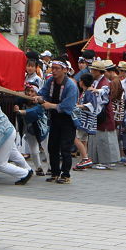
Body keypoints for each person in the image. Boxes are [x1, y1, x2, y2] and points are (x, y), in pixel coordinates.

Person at [35, 56, 79, 184]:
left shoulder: (71, 85)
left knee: (65, 147)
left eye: (57, 68)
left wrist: (51, 105)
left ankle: (66, 174)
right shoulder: (50, 81)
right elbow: (43, 92)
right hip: (54, 118)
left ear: (64, 69)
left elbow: (68, 106)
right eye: (52, 68)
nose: (53, 71)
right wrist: (37, 97)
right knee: (52, 146)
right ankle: (55, 172)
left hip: (68, 119)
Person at [86, 60, 120, 169]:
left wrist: (96, 91)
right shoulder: (96, 81)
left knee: (104, 137)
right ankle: (96, 159)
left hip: (103, 112)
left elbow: (105, 95)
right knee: (96, 137)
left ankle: (106, 162)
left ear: (98, 71)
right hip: (97, 112)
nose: (91, 71)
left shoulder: (105, 82)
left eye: (93, 70)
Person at [14, 83, 49, 176]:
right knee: (33, 151)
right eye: (27, 91)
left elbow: (33, 112)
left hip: (42, 128)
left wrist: (20, 111)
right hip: (29, 128)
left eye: (32, 91)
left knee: (47, 149)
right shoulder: (21, 100)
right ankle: (38, 167)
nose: (29, 93)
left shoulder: (40, 103)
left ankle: (51, 167)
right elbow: (14, 100)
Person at [73, 73, 98, 170]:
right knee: (83, 140)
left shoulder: (89, 92)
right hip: (86, 120)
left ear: (82, 82)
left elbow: (91, 106)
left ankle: (86, 158)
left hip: (85, 120)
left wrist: (78, 106)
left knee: (75, 137)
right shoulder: (86, 92)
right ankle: (82, 162)